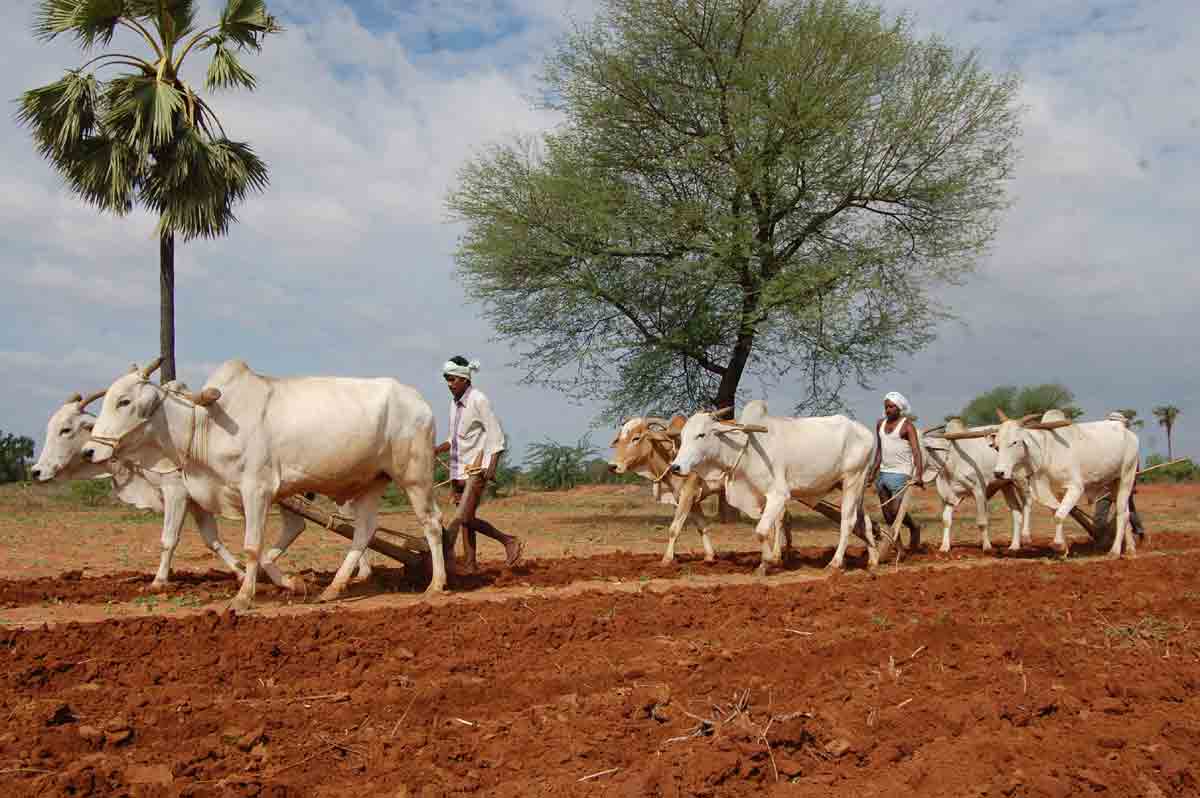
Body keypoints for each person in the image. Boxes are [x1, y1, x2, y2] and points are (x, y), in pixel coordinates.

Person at [434, 356, 523, 572]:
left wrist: (490, 467)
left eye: (453, 379)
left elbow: (496, 435)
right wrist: (434, 450)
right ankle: (471, 564)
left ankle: (508, 541)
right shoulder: (454, 404)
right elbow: (453, 439)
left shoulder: (478, 400)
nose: (449, 383)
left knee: (464, 517)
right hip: (458, 470)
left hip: (476, 470)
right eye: (446, 379)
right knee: (466, 520)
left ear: (464, 379)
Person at [871, 391, 924, 550]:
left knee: (895, 510)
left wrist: (919, 474)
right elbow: (879, 450)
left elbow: (916, 451)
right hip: (883, 474)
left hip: (902, 474)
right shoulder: (880, 424)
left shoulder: (907, 426)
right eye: (886, 406)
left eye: (892, 406)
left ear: (899, 408)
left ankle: (914, 527)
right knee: (887, 514)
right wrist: (873, 472)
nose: (888, 409)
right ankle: (899, 547)